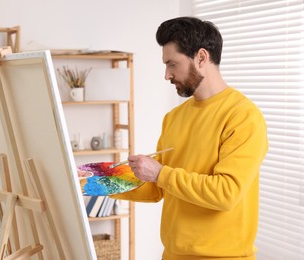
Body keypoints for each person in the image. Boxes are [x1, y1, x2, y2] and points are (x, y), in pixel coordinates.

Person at [112, 17, 268, 259]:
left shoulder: (243, 116)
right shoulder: (174, 117)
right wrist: (93, 181)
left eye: (172, 64)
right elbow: (156, 188)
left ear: (202, 57)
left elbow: (226, 193)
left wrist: (160, 173)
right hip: (173, 254)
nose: (167, 75)